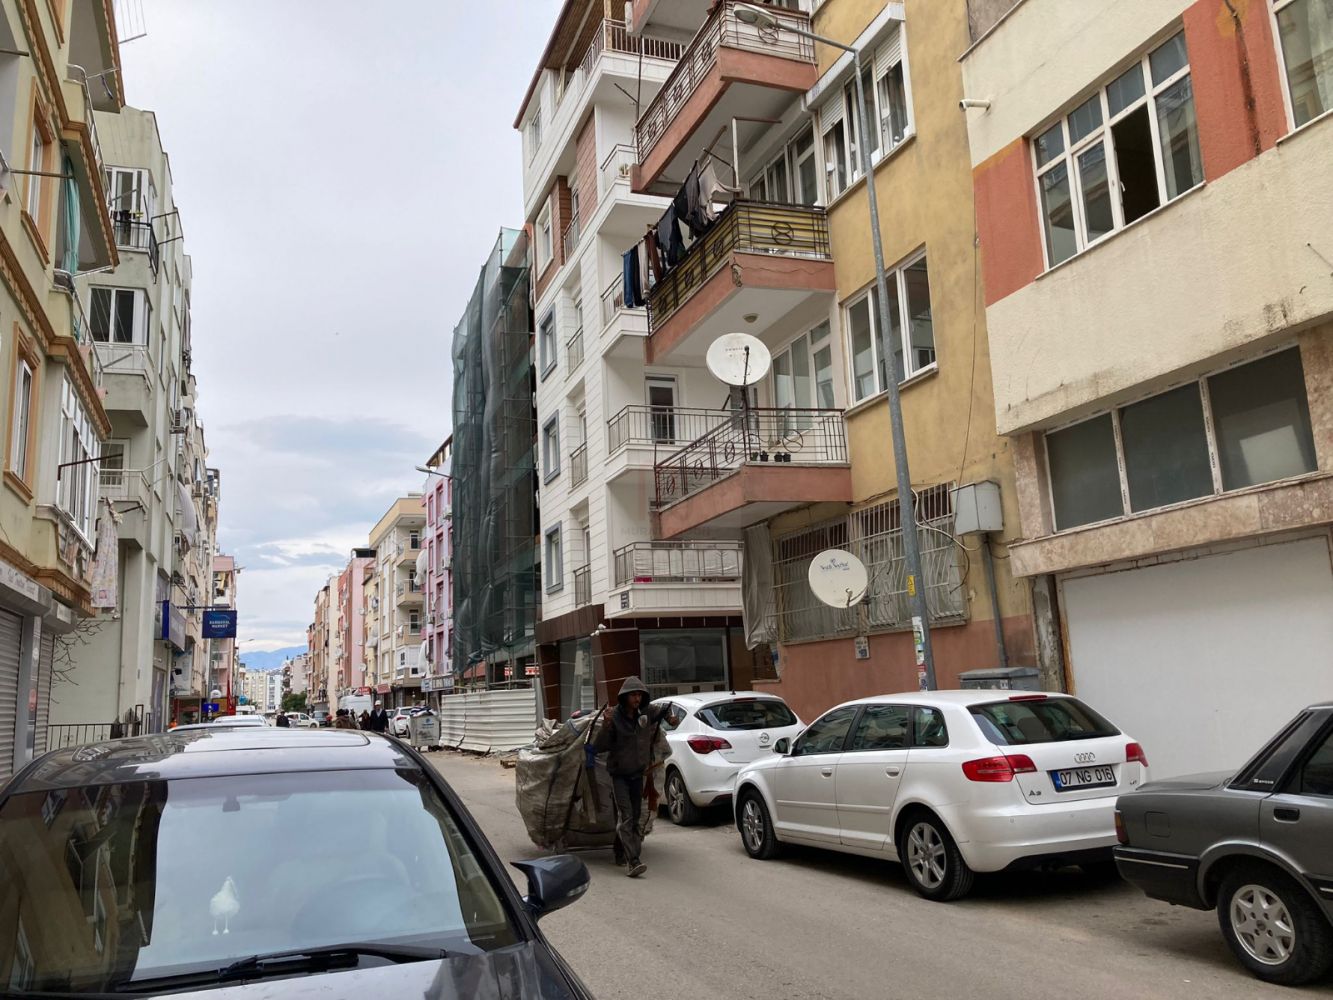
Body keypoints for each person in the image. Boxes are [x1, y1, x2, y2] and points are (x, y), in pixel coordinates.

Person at [592, 676, 673, 878]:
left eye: (639, 695)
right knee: (627, 816)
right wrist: (606, 725)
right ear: (624, 697)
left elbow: (664, 710)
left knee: (636, 817)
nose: (637, 698)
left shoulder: (646, 712)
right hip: (619, 775)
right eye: (633, 695)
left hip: (638, 775)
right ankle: (634, 860)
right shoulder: (614, 717)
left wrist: (671, 718)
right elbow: (600, 746)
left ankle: (621, 851)